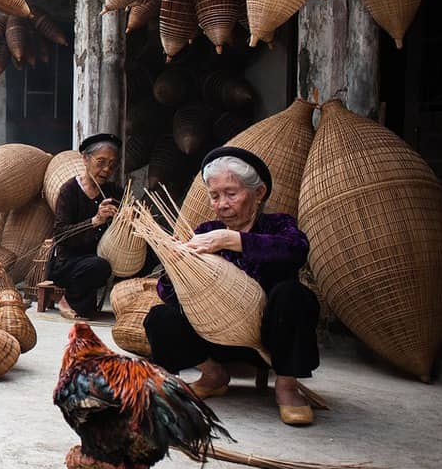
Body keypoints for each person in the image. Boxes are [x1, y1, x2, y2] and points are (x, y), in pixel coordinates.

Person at [142, 146, 320, 426]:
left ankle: (286, 386)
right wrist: (178, 269)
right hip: (215, 338)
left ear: (258, 194)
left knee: (294, 296)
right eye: (214, 196)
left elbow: (296, 250)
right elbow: (168, 291)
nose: (222, 203)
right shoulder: (203, 233)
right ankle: (213, 375)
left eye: (231, 194)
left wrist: (230, 240)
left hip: (271, 339)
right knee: (159, 317)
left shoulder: (278, 226)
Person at [46, 133, 123, 320]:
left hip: (98, 257)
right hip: (67, 263)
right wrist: (95, 220)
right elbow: (60, 234)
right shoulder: (69, 191)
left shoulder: (114, 191)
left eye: (112, 164)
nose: (106, 169)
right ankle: (66, 300)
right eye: (101, 162)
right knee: (99, 266)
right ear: (85, 159)